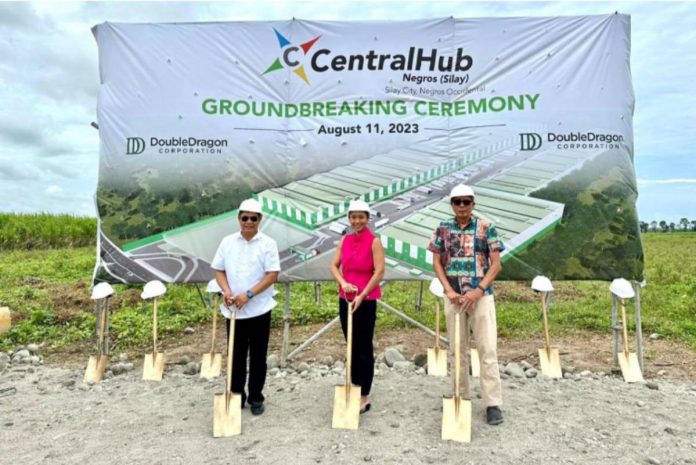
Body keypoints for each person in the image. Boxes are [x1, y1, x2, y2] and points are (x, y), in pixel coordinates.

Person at [427, 184, 506, 425]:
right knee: (456, 349)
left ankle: (492, 403)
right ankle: (459, 396)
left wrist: (479, 289)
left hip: (481, 297)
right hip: (453, 298)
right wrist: (448, 290)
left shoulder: (486, 227)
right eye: (457, 201)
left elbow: (496, 264)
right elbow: (437, 262)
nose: (462, 206)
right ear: (451, 204)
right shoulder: (442, 228)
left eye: (466, 201)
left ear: (473, 203)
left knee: (487, 349)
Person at [211, 198, 280, 415]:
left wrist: (249, 294)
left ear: (259, 220)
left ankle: (256, 397)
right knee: (236, 355)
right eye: (245, 218)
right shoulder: (227, 242)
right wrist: (226, 291)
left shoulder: (268, 243)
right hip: (233, 311)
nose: (248, 222)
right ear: (239, 218)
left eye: (253, 218)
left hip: (259, 308)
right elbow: (219, 270)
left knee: (258, 356)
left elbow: (272, 275)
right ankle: (235, 395)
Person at [330, 199, 385, 414]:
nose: (357, 221)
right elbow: (334, 266)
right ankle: (353, 385)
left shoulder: (374, 242)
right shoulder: (344, 240)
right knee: (350, 342)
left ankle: (364, 393)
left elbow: (379, 271)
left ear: (367, 218)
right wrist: (343, 283)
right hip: (346, 298)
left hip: (366, 299)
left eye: (361, 217)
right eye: (353, 217)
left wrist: (363, 294)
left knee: (363, 345)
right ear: (349, 219)